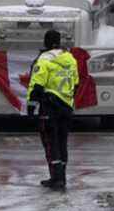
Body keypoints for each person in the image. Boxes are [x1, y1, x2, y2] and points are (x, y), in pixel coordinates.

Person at [27, 29, 78, 191]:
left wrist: (31, 104)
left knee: (50, 142)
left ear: (46, 42)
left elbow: (37, 83)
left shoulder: (44, 59)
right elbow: (76, 83)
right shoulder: (70, 58)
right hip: (67, 105)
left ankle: (56, 179)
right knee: (62, 141)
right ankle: (61, 176)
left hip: (49, 105)